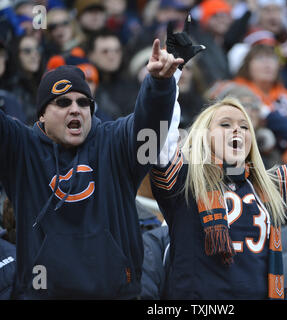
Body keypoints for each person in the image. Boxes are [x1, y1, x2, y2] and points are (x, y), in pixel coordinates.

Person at [0, 37, 185, 299]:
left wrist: (159, 84)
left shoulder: (115, 143)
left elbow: (150, 126)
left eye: (83, 103)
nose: (75, 109)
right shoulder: (22, 149)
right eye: (62, 103)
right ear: (41, 114)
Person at [150, 53, 287, 299]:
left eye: (245, 126)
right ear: (204, 136)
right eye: (225, 124)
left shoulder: (268, 185)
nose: (237, 129)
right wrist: (170, 77)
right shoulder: (183, 179)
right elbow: (159, 141)